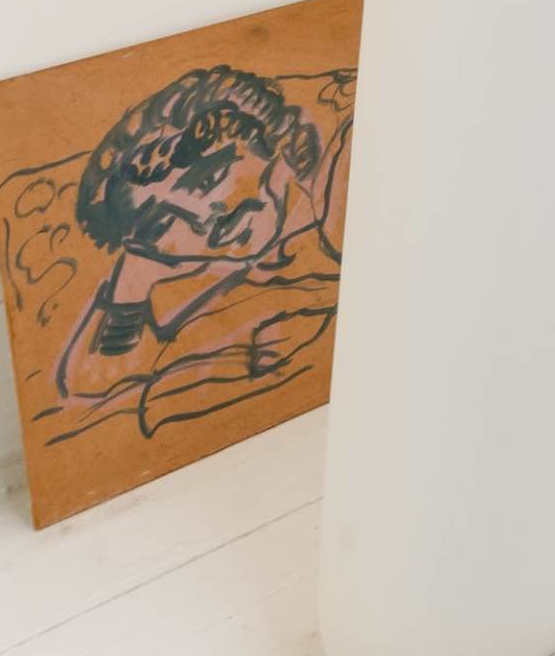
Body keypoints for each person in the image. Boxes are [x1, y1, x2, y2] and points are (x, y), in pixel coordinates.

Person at [48, 64, 350, 439]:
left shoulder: (339, 177)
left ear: (266, 138)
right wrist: (136, 274)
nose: (206, 221)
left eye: (208, 180)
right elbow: (87, 381)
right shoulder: (248, 271)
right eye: (164, 221)